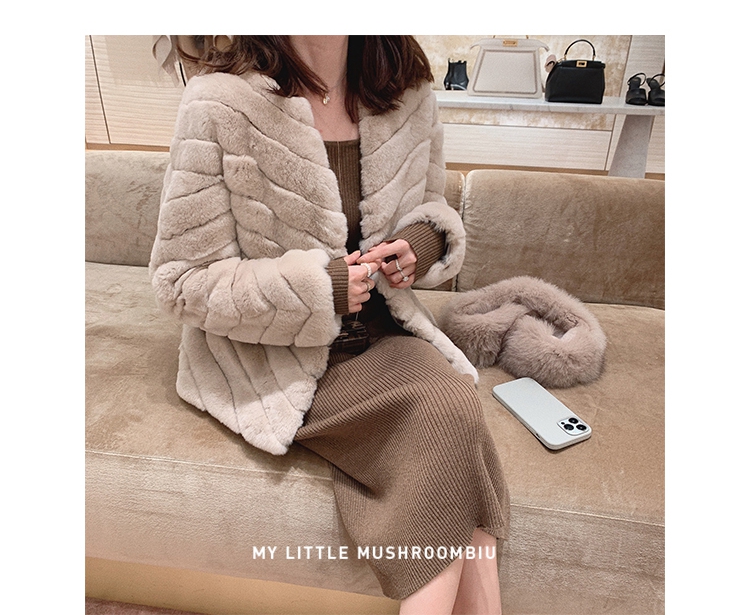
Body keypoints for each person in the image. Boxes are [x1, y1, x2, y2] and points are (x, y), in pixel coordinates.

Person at [149, 35, 510, 614]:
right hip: (274, 356)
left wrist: (420, 244)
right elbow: (182, 280)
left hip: (385, 336)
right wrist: (321, 289)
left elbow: (433, 207)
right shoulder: (217, 103)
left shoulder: (409, 93)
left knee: (452, 409)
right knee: (449, 414)